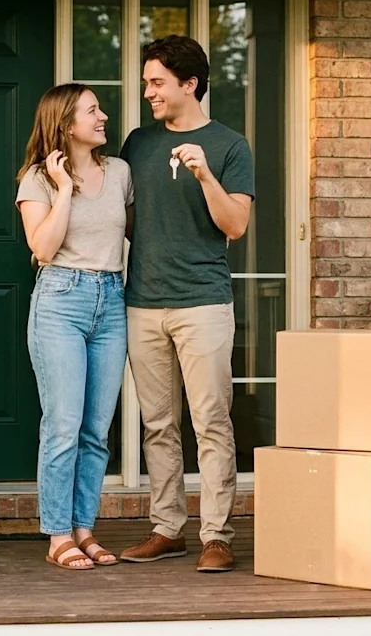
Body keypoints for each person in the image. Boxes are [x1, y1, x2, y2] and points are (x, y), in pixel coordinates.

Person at [117, 35, 254, 573]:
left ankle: (216, 536)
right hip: (142, 302)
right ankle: (167, 527)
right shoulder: (137, 143)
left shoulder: (228, 146)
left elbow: (235, 225)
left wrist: (203, 173)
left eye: (157, 83)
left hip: (203, 303)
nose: (148, 91)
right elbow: (123, 220)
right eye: (147, 82)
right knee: (158, 423)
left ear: (189, 83)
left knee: (212, 421)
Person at [16, 83, 134, 571]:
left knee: (95, 430)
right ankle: (58, 534)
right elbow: (43, 249)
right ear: (65, 124)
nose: (103, 116)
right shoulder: (36, 181)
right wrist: (64, 189)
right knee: (62, 425)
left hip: (112, 301)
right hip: (61, 300)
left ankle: (84, 527)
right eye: (92, 110)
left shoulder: (121, 172)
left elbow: (135, 232)